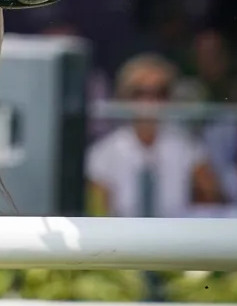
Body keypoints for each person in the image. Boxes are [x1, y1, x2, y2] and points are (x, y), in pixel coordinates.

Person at [85, 54, 221, 217]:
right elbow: (98, 214)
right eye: (140, 93)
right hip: (122, 237)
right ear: (124, 97)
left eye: (160, 93)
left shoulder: (187, 145)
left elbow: (212, 197)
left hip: (175, 235)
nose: (150, 101)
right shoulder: (103, 152)